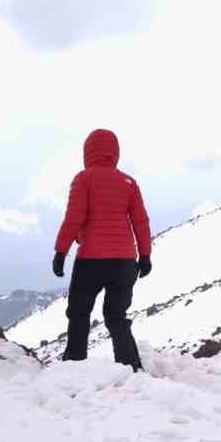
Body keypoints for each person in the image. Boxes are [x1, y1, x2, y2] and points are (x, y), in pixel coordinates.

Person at [52, 128, 152, 371]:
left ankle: (74, 365)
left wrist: (60, 252)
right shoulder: (129, 183)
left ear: (88, 152)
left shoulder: (83, 179)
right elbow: (140, 221)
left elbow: (74, 218)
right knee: (116, 316)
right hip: (125, 262)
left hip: (91, 261)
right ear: (115, 153)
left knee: (79, 313)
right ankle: (131, 368)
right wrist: (146, 256)